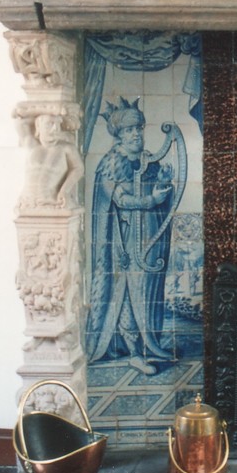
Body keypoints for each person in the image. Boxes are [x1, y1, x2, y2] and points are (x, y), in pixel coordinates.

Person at [87, 98, 176, 375]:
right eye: (130, 130)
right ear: (119, 135)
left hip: (148, 239)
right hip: (123, 243)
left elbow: (157, 192)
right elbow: (121, 199)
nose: (137, 134)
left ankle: (150, 344)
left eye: (139, 128)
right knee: (125, 291)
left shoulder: (147, 159)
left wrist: (163, 182)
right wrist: (151, 200)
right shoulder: (110, 163)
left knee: (146, 290)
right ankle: (134, 353)